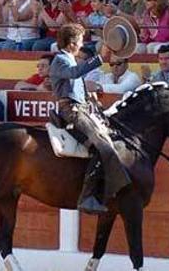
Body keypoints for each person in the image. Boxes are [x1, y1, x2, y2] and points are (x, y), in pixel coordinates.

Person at [50, 22, 130, 214]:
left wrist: (90, 98)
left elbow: (75, 82)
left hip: (81, 108)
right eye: (79, 40)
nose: (81, 43)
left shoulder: (67, 59)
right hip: (72, 111)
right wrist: (100, 58)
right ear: (71, 43)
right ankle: (88, 196)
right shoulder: (61, 60)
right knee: (102, 145)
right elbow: (74, 74)